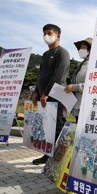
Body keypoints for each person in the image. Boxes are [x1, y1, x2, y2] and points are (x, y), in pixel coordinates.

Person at [32, 24, 70, 165]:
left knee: (58, 126)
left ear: (57, 36)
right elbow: (41, 75)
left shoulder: (62, 53)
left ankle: (60, 158)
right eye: (44, 33)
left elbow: (58, 76)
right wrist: (36, 92)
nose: (46, 36)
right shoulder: (45, 54)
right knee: (47, 127)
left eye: (49, 33)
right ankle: (47, 155)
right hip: (43, 97)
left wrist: (46, 93)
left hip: (57, 96)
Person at [64, 37, 92, 123]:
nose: (81, 50)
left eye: (83, 48)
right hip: (77, 105)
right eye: (80, 48)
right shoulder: (81, 65)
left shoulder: (93, 65)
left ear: (91, 50)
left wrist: (74, 87)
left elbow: (92, 86)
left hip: (86, 107)